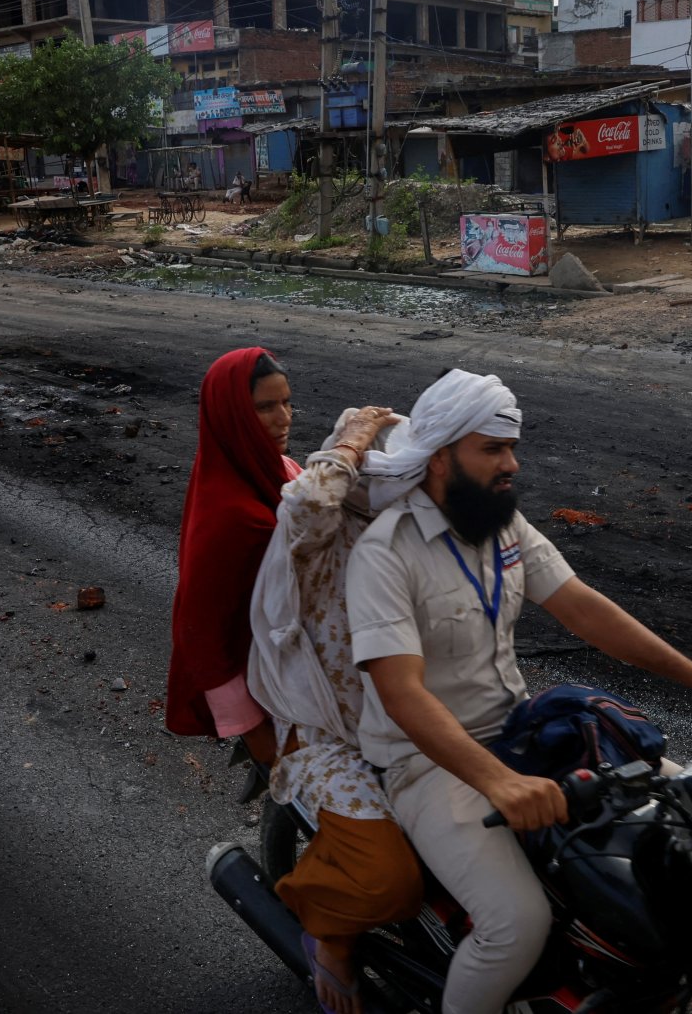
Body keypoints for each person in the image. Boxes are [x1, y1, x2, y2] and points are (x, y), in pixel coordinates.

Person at [348, 369, 692, 1014]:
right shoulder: (386, 554)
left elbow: (583, 608)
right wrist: (497, 781)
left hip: (522, 730)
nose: (511, 463)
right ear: (439, 458)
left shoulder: (504, 527)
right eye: (492, 449)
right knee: (515, 926)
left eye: (511, 447)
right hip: (429, 764)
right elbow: (402, 695)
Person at [246, 406, 423, 1014]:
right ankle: (332, 933)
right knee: (390, 880)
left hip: (413, 719)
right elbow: (310, 503)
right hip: (325, 729)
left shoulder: (417, 528)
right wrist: (351, 441)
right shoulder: (319, 528)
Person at [166, 347, 299, 766]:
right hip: (270, 696)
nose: (284, 418)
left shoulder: (273, 469)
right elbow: (199, 633)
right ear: (232, 415)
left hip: (293, 673)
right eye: (264, 407)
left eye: (286, 402)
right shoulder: (232, 514)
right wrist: (257, 736)